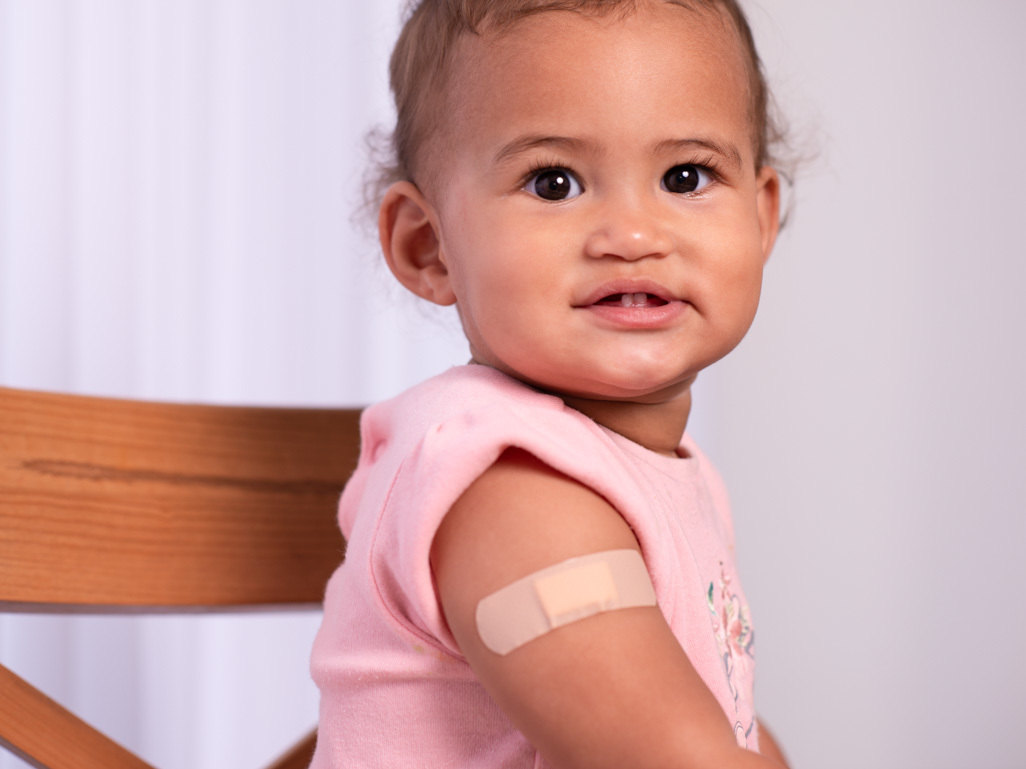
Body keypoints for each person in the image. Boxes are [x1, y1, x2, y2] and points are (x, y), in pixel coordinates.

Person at [310, 0, 791, 766]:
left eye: (685, 175)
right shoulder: (509, 481)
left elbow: (716, 722)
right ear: (429, 246)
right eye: (554, 182)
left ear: (763, 220)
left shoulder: (673, 470)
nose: (634, 235)